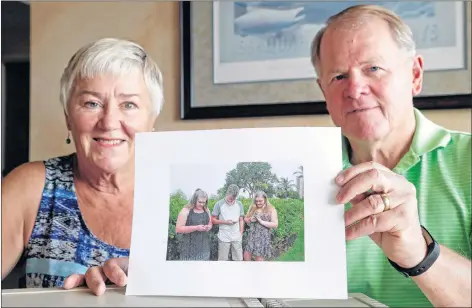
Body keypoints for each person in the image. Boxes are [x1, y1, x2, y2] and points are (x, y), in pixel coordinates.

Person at [310, 4, 471, 307]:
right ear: (324, 94)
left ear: (414, 75)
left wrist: (420, 255)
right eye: (339, 76)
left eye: (373, 68)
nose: (355, 89)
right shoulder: (302, 175)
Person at [1, 37, 164, 293]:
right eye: (92, 103)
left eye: (128, 104)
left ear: (152, 118)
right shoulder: (31, 186)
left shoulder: (183, 192)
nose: (109, 122)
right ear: (68, 117)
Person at [175, 189, 212, 261]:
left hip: (204, 250)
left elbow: (210, 222)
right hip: (188, 251)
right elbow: (178, 229)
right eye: (200, 202)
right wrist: (196, 228)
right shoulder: (185, 211)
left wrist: (209, 227)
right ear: (194, 200)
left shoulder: (206, 210)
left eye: (204, 202)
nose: (202, 204)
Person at [211, 184, 245, 261]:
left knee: (238, 260)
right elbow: (213, 220)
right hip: (224, 236)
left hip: (237, 236)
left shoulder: (239, 204)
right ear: (227, 193)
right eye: (230, 198)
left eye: (234, 198)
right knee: (223, 261)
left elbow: (241, 219)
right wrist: (225, 222)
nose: (232, 200)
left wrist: (241, 232)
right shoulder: (219, 204)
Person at [243, 191, 278, 261]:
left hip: (263, 237)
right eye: (256, 201)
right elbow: (245, 219)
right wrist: (250, 219)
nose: (258, 203)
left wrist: (261, 221)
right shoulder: (253, 207)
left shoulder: (271, 209)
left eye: (260, 201)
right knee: (246, 255)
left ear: (265, 199)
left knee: (259, 259)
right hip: (251, 236)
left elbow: (275, 224)